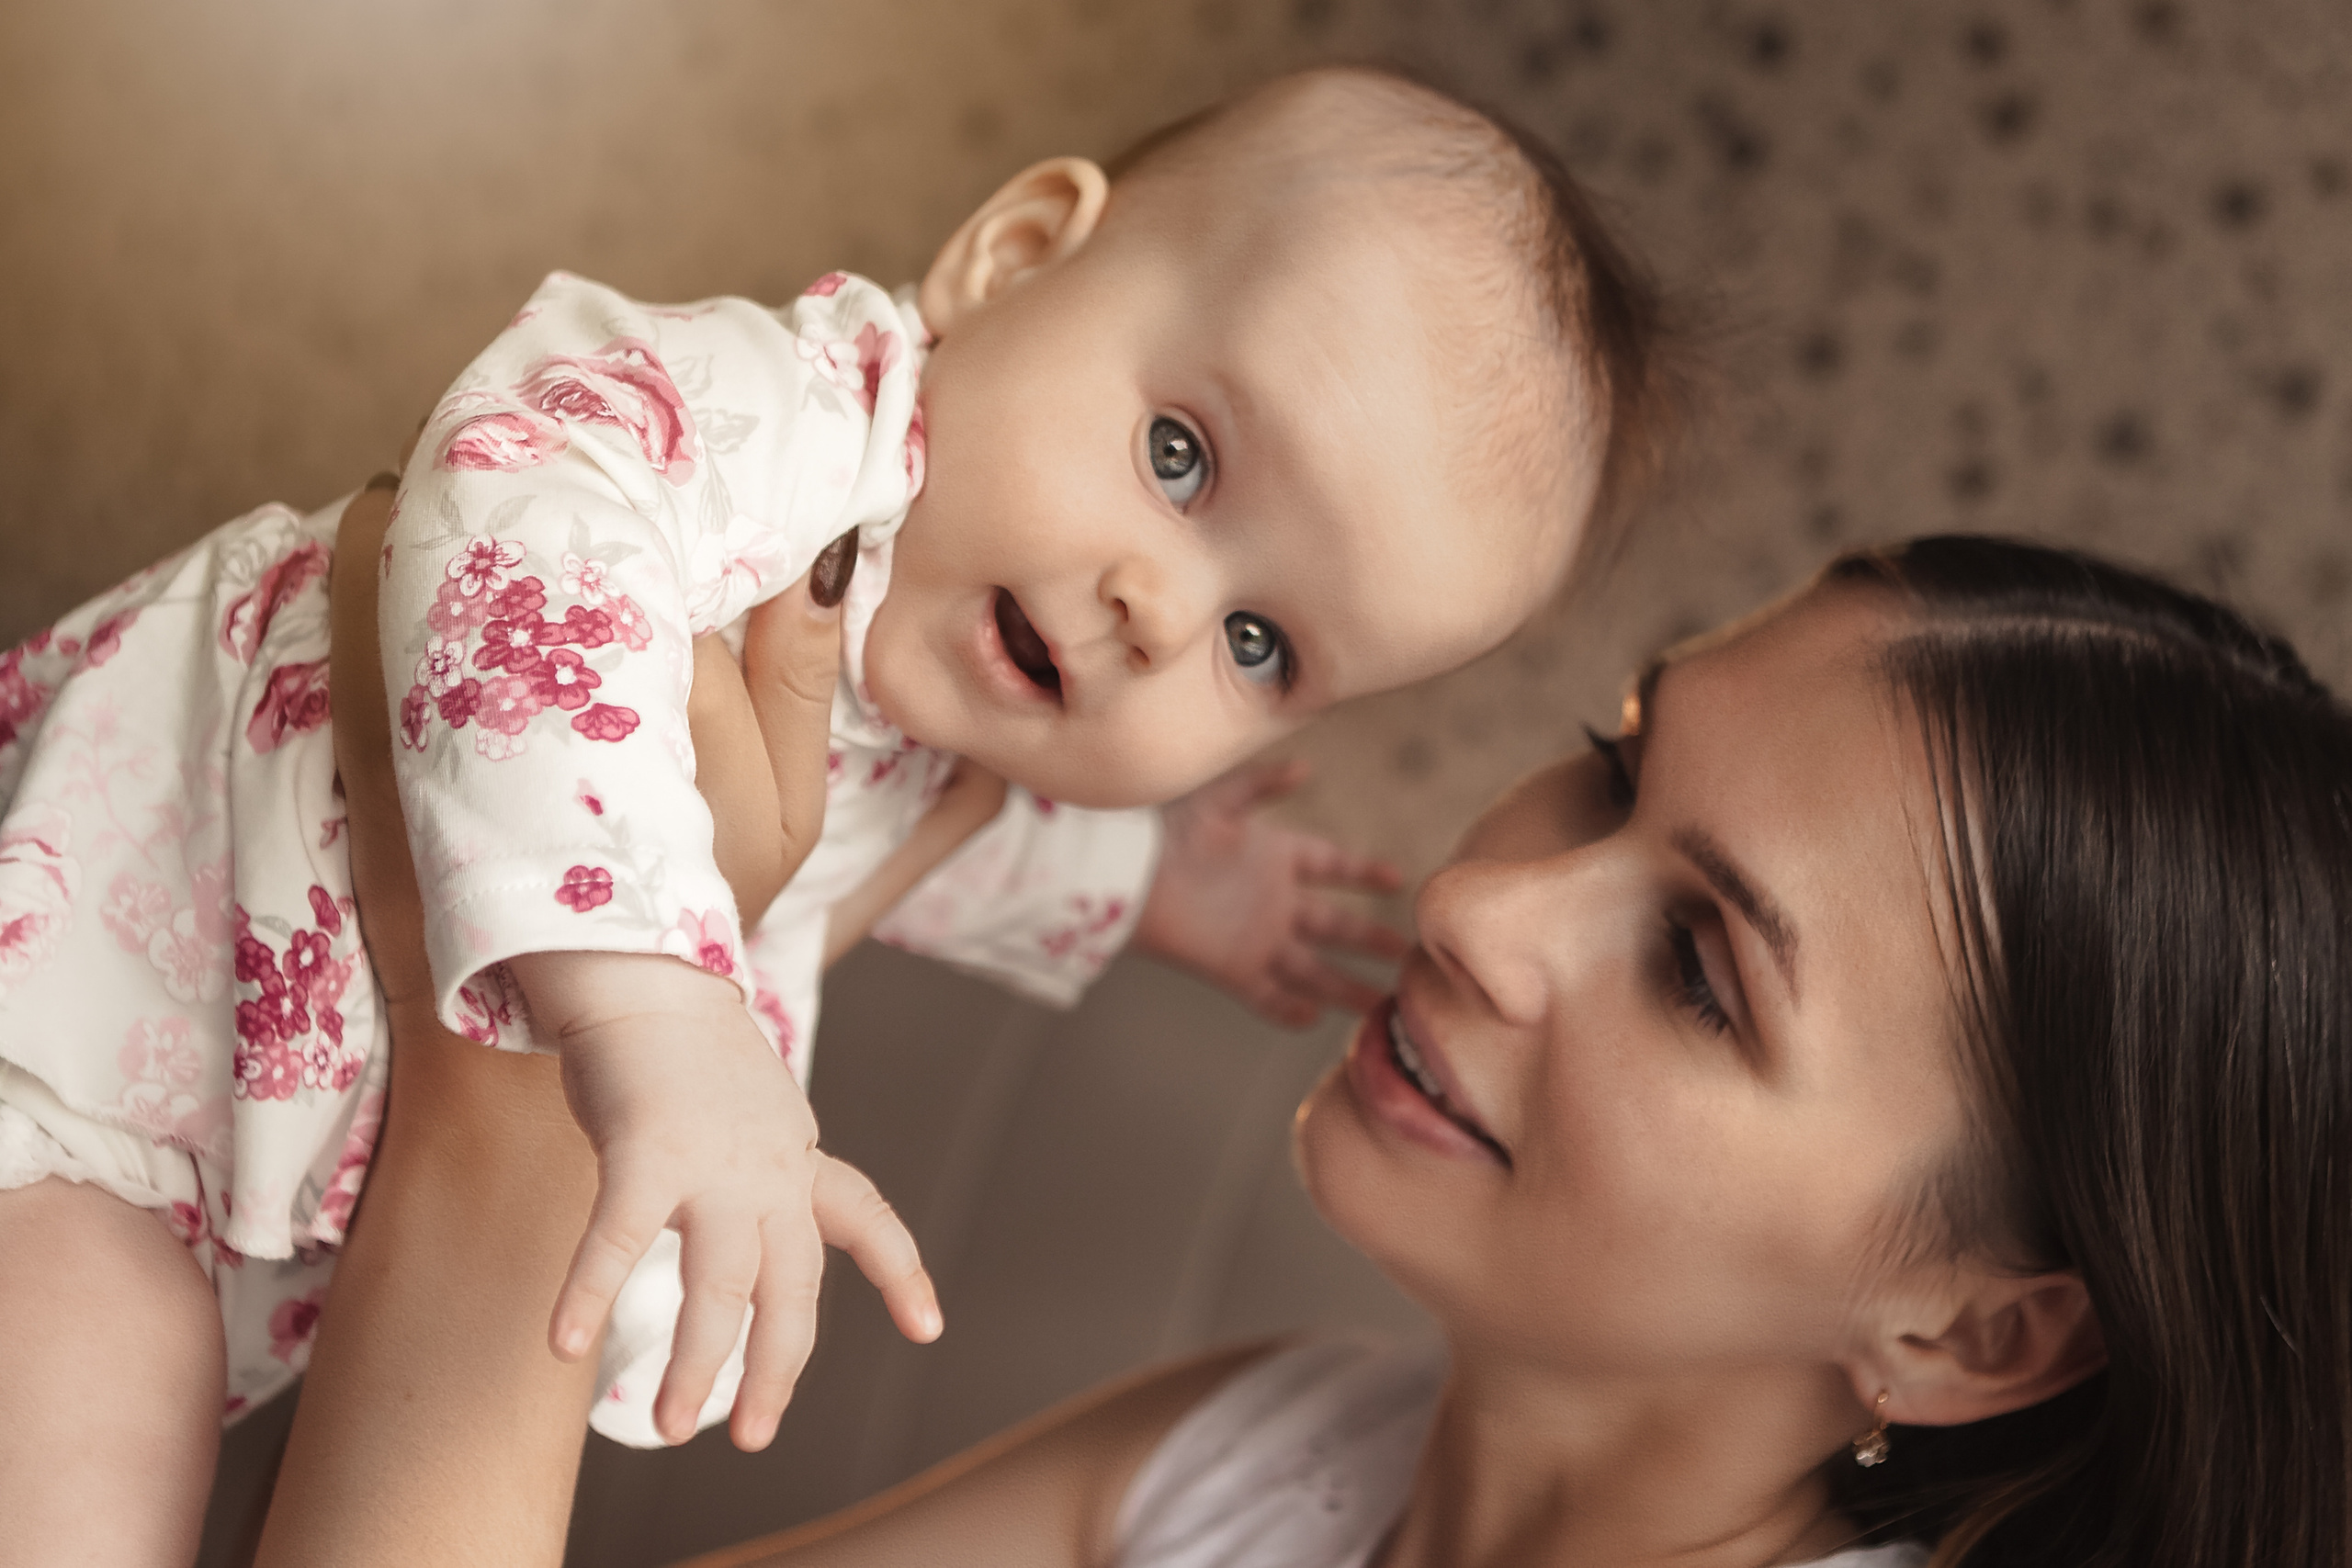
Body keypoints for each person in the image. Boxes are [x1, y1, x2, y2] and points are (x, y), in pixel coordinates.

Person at [0, 64, 1683, 1560]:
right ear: (1014, 256)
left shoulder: (949, 729)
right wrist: (661, 1009)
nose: (1161, 612)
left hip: (218, 1198)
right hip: (87, 1039)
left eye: (1262, 645)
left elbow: (934, 834)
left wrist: (1160, 891)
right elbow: (527, 516)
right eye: (1180, 455)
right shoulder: (791, 424)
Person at [299, 530, 2349, 1566]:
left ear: (1972, 1330)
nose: (1478, 906)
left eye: (1700, 972)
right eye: (1607, 769)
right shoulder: (1267, 1459)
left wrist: (532, 1009)